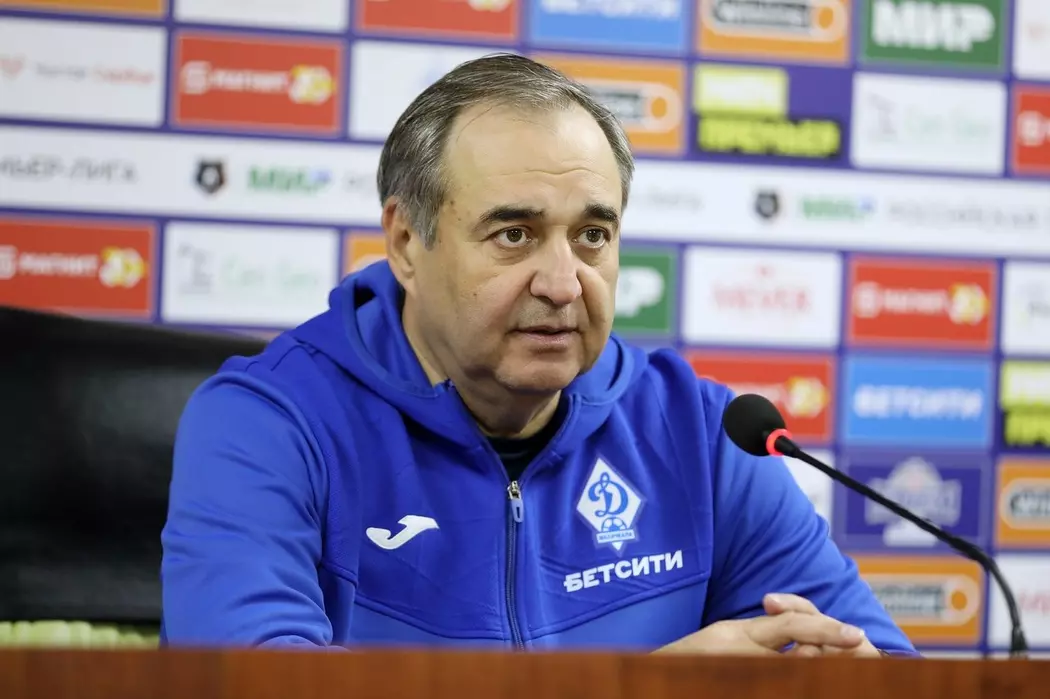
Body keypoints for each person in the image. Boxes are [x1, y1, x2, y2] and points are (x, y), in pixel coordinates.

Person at [160, 54, 916, 657]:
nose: (562, 283)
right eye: (514, 234)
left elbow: (881, 661)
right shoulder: (269, 424)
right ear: (406, 243)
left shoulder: (702, 433)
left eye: (592, 235)